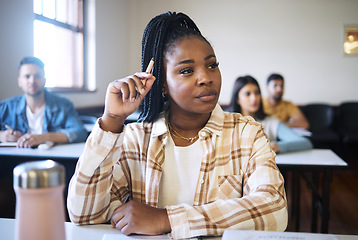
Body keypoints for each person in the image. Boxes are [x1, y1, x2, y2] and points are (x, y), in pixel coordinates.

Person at [67, 12, 288, 239]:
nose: (206, 78)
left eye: (212, 65)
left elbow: (274, 210)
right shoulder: (136, 139)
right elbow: (84, 214)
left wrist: (166, 219)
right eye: (186, 70)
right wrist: (112, 120)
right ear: (162, 84)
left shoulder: (247, 133)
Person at [0, 57, 88, 148]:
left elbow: (80, 132)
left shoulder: (64, 105)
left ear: (44, 80)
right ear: (19, 81)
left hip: (53, 159)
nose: (32, 81)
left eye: (37, 76)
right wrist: (1, 135)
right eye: (27, 76)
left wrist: (44, 137)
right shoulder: (6, 107)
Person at [229, 75, 313, 153]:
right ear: (237, 99)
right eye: (248, 94)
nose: (254, 98)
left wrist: (277, 146)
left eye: (257, 93)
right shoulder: (226, 120)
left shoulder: (270, 121)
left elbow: (305, 143)